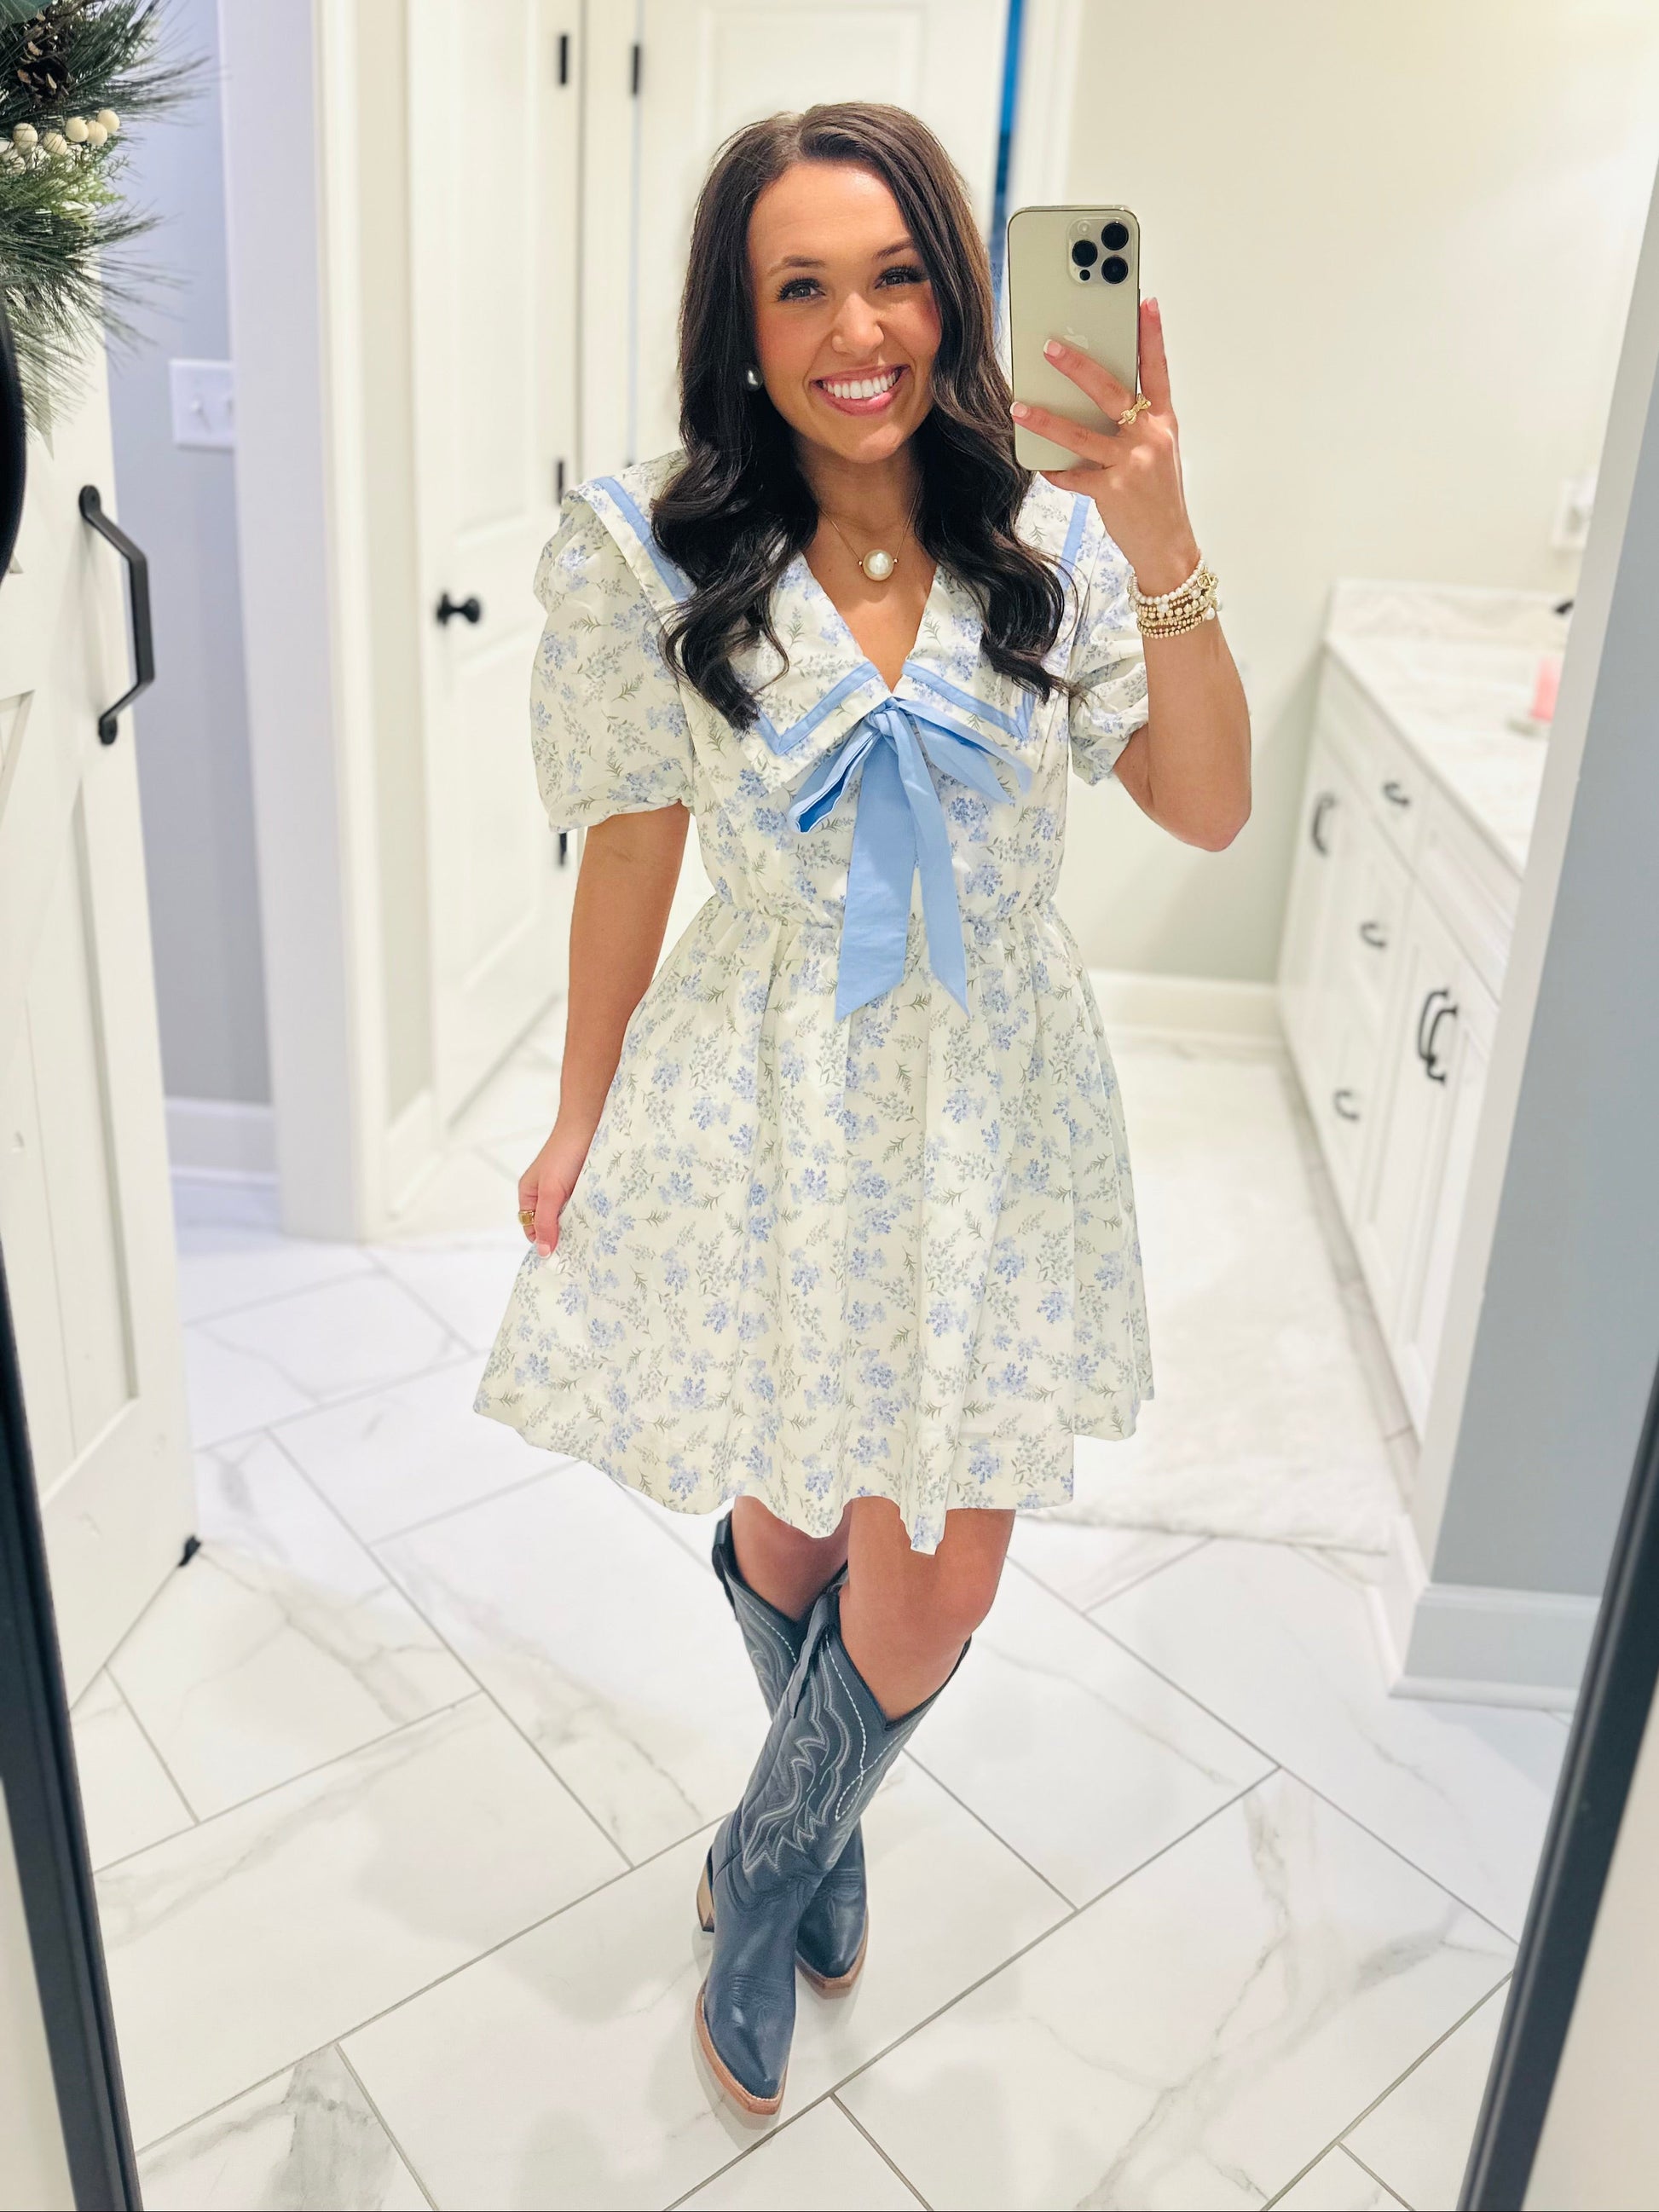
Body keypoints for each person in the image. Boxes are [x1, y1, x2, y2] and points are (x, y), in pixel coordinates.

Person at [477, 101, 1249, 2114]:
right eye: (800, 287)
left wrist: (1164, 533)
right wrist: (576, 1112)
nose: (857, 330)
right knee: (798, 1500)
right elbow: (629, 845)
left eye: (898, 275)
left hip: (993, 1104)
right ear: (738, 326)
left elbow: (1206, 804)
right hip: (766, 1092)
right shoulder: (657, 554)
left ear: (955, 292)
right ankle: (819, 1830)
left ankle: (762, 1863)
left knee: (936, 1572)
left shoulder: (1058, 540)